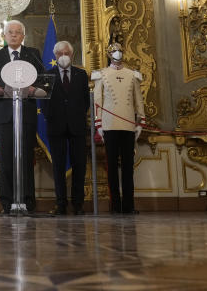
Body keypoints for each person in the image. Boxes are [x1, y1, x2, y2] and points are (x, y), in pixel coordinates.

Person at [0, 20, 47, 215]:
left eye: (18, 32)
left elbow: (44, 81)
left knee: (27, 159)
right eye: (10, 32)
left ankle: (28, 203)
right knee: (5, 161)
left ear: (23, 36)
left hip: (26, 114)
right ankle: (8, 203)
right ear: (4, 35)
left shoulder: (33, 54)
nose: (14, 35)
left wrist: (34, 89)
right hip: (4, 116)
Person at [92, 42, 145, 214]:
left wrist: (140, 122)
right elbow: (98, 101)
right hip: (109, 125)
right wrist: (98, 123)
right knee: (112, 167)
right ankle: (115, 205)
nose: (118, 53)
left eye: (120, 50)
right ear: (109, 54)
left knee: (128, 167)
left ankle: (129, 205)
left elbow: (138, 100)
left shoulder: (132, 75)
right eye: (114, 51)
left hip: (129, 124)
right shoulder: (101, 74)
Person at [45, 41, 90, 215]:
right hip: (56, 127)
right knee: (58, 166)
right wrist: (53, 117)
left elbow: (86, 100)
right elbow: (44, 101)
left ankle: (78, 204)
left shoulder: (80, 74)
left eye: (66, 53)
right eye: (60, 53)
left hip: (77, 126)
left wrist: (76, 115)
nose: (63, 56)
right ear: (55, 56)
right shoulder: (48, 75)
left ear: (72, 55)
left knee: (80, 165)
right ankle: (61, 204)